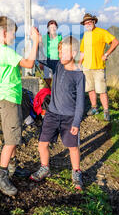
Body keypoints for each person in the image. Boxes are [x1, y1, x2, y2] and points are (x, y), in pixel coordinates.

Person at [0, 16, 40, 196]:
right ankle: (1, 176)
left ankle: (12, 168)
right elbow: (29, 63)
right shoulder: (5, 51)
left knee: (13, 133)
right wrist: (35, 42)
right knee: (12, 139)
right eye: (13, 34)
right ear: (5, 33)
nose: (13, 37)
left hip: (9, 97)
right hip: (10, 99)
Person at [30, 36, 85, 190]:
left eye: (64, 53)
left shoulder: (79, 75)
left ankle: (76, 172)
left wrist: (76, 122)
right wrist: (38, 40)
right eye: (59, 52)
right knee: (42, 143)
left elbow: (81, 101)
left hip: (69, 118)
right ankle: (45, 168)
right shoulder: (58, 65)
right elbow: (41, 58)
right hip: (52, 114)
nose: (60, 56)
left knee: (73, 147)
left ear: (73, 53)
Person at [79, 13, 119, 122]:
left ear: (94, 22)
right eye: (85, 23)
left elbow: (115, 42)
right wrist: (79, 63)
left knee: (102, 90)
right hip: (86, 67)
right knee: (90, 89)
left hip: (98, 67)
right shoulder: (86, 35)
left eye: (89, 22)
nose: (87, 24)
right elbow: (82, 51)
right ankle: (94, 107)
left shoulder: (102, 32)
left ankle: (106, 111)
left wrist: (106, 54)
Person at [39, 20, 62, 87]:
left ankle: (56, 95)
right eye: (50, 27)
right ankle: (47, 95)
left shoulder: (59, 37)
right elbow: (40, 49)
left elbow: (61, 49)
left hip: (57, 61)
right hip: (47, 61)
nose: (52, 28)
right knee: (48, 81)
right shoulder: (44, 37)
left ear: (56, 28)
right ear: (48, 28)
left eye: (54, 27)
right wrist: (41, 62)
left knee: (57, 80)